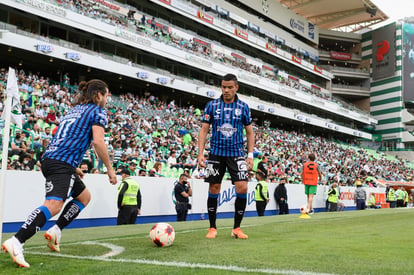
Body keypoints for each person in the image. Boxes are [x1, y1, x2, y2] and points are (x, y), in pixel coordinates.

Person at [2, 79, 117, 268]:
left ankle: (56, 230)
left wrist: (74, 167)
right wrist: (110, 170)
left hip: (53, 159)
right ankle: (17, 240)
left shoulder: (74, 110)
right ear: (98, 95)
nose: (107, 99)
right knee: (54, 204)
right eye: (106, 94)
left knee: (84, 197)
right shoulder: (98, 111)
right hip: (60, 163)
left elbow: (66, 137)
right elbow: (98, 142)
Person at [197, 73, 254, 239]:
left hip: (237, 154)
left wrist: (250, 155)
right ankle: (212, 227)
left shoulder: (243, 107)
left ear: (236, 87)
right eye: (224, 87)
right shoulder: (212, 106)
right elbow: (204, 130)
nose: (226, 90)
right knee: (214, 187)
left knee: (242, 187)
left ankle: (237, 228)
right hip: (216, 154)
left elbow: (250, 133)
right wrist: (200, 153)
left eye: (230, 87)